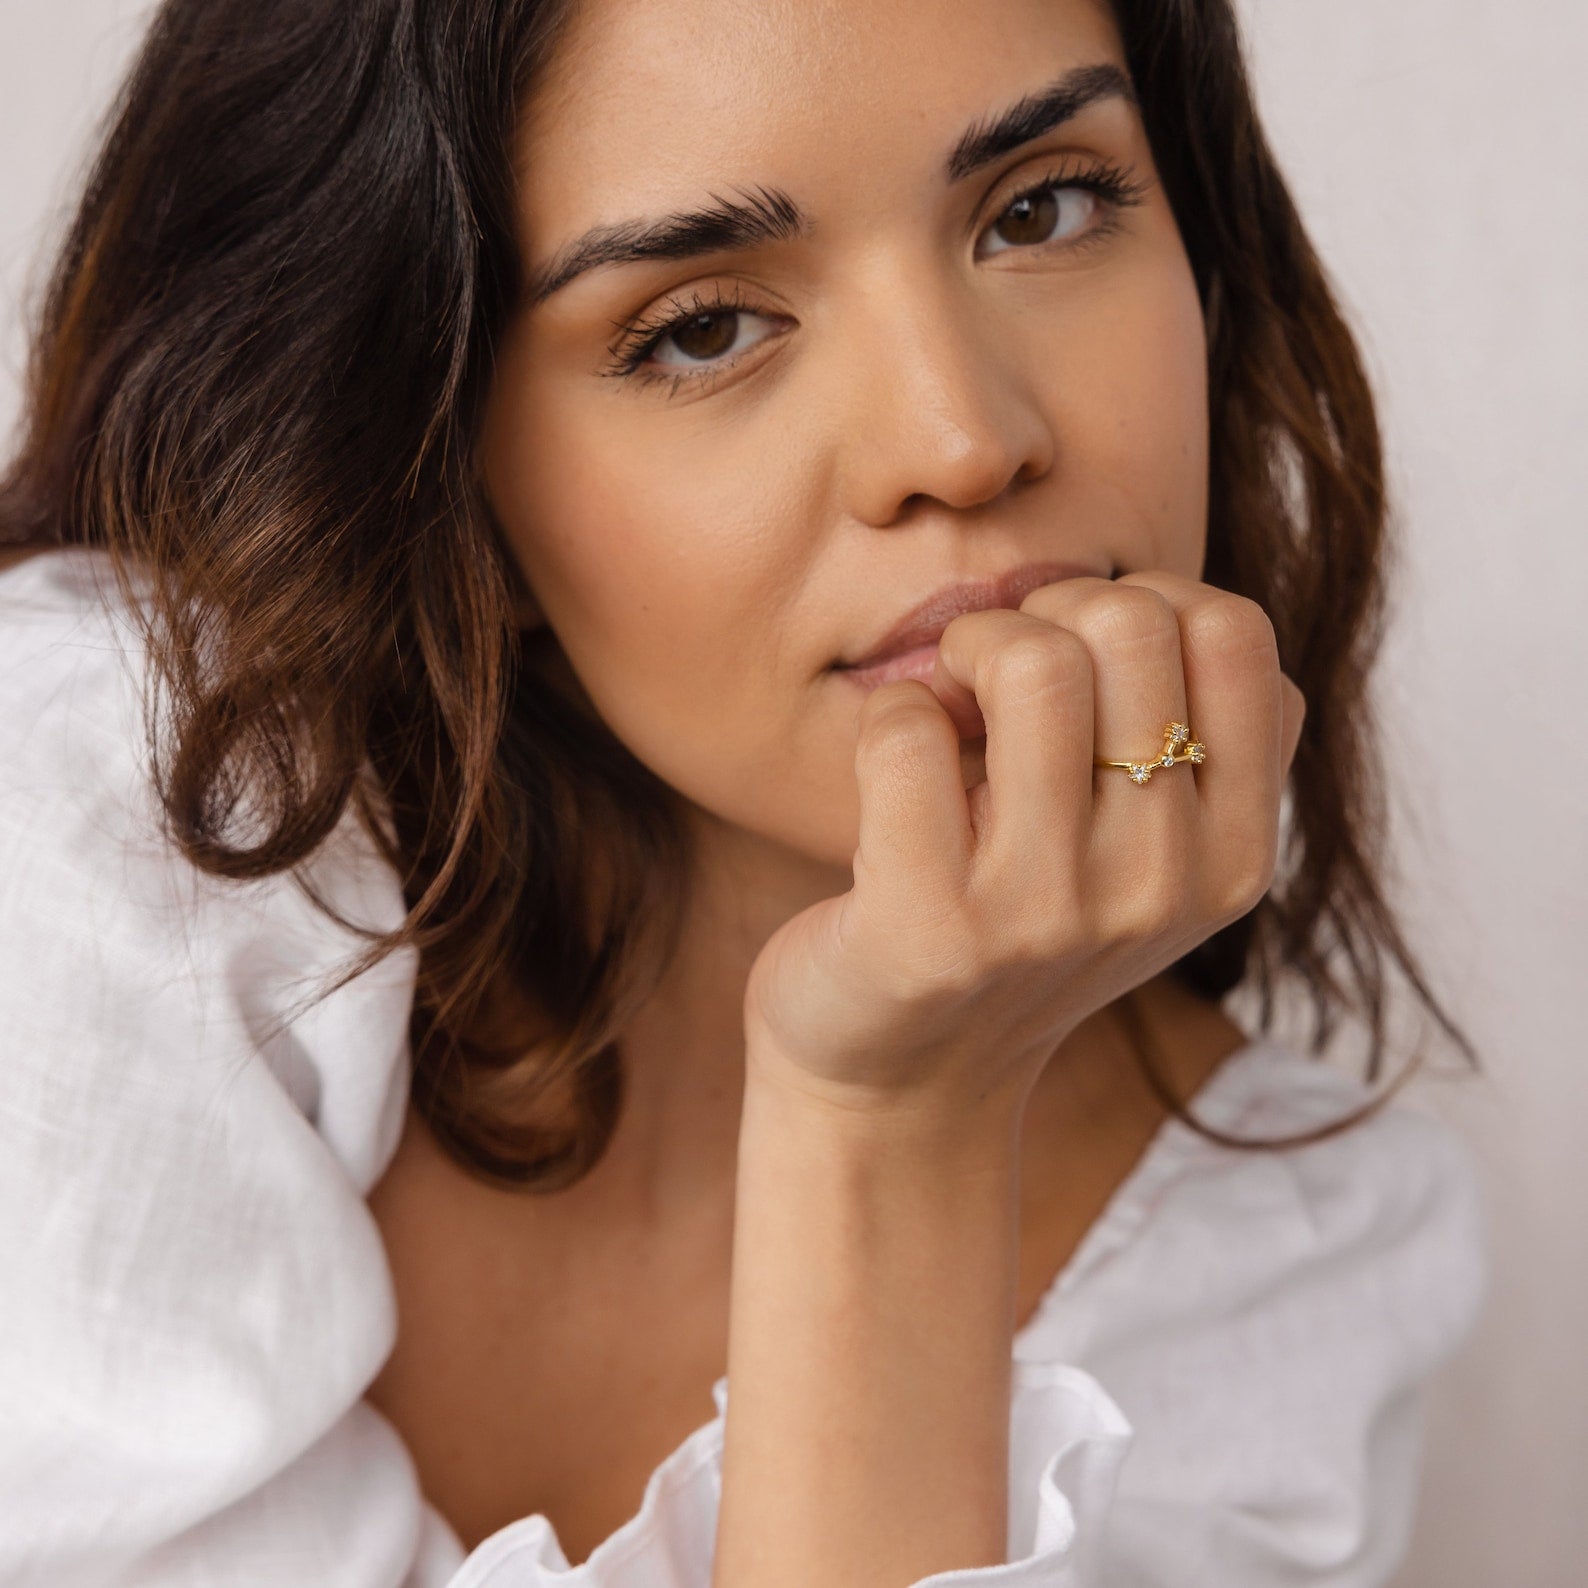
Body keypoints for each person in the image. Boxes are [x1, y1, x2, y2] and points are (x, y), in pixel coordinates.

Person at [0, 0, 1489, 1582]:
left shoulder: (1296, 1270)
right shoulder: (122, 818)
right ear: (435, 473)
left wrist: (896, 1124)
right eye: (703, 329)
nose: (963, 439)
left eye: (1041, 209)